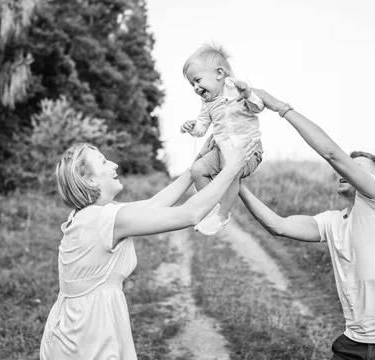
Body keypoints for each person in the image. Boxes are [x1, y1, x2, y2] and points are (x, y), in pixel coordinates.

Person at [235, 88, 375, 360]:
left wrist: (280, 107)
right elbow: (277, 225)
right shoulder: (333, 221)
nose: (343, 169)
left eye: (355, 167)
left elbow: (332, 154)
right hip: (353, 343)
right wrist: (237, 184)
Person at [40, 139, 257, 360]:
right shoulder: (104, 218)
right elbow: (190, 214)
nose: (114, 164)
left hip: (75, 324)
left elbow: (153, 205)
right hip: (87, 333)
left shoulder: (90, 214)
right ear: (90, 180)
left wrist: (193, 170)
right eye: (104, 162)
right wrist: (231, 168)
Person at [180, 43, 264, 236]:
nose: (195, 87)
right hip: (221, 150)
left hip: (248, 151)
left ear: (219, 73)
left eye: (197, 80)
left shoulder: (239, 91)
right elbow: (202, 128)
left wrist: (248, 95)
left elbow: (258, 107)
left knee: (231, 167)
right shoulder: (207, 104)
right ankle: (210, 207)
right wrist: (193, 127)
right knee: (197, 169)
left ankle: (222, 215)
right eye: (192, 84)